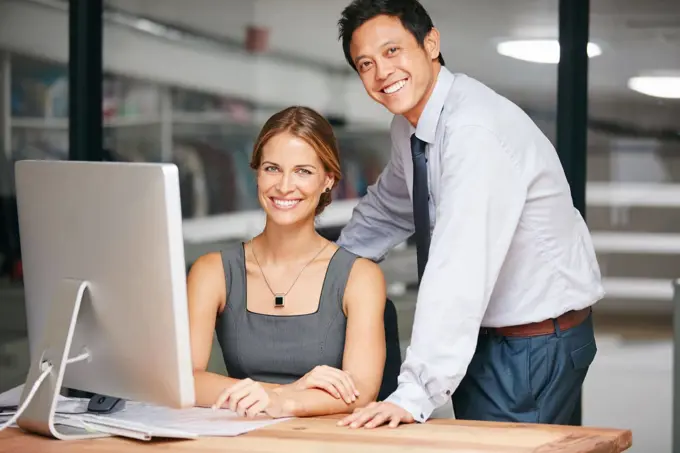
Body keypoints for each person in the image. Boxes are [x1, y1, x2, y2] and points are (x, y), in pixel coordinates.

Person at [334, 0, 605, 429]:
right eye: (365, 63)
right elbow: (388, 208)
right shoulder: (410, 126)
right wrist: (326, 271)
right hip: (494, 340)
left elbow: (459, 264)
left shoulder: (474, 131)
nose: (382, 72)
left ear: (431, 43)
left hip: (530, 346)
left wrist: (416, 392)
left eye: (392, 51)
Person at [186, 106, 387, 419]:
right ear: (256, 173)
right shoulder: (211, 272)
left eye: (303, 171)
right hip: (242, 437)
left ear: (328, 180)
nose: (283, 186)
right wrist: (283, 392)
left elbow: (362, 390)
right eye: (272, 168)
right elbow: (186, 380)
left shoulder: (360, 277)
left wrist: (287, 403)